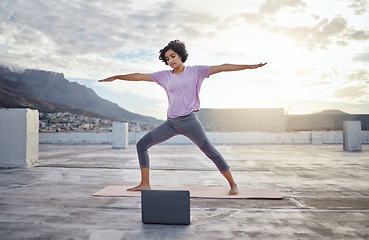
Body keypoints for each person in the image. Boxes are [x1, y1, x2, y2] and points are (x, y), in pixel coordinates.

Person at [99, 40, 267, 195]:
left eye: (173, 56)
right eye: (167, 58)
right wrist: (117, 76)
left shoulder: (197, 71)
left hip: (189, 122)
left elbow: (223, 67)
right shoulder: (164, 76)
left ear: (181, 55)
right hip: (171, 123)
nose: (170, 60)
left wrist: (248, 66)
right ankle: (144, 183)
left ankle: (233, 184)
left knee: (211, 152)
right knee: (141, 145)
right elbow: (140, 76)